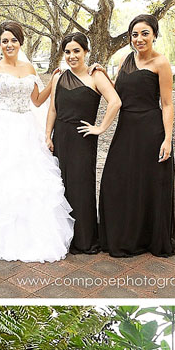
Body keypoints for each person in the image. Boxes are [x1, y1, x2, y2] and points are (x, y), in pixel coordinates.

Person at [0, 21, 75, 262]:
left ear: (20, 42)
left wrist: (54, 81)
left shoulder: (30, 68)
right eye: (4, 40)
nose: (9, 44)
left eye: (13, 40)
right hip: (2, 128)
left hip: (26, 128)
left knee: (31, 184)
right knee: (3, 184)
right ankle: (0, 238)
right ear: (0, 43)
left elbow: (36, 100)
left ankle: (33, 238)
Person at [99, 14, 175, 258]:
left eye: (144, 33)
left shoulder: (161, 63)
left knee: (147, 185)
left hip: (150, 129)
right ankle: (122, 234)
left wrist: (167, 139)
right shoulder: (125, 60)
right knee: (116, 181)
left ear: (154, 35)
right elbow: (116, 95)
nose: (139, 39)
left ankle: (147, 238)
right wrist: (100, 75)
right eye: (134, 34)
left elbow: (167, 104)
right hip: (126, 129)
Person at [45, 32, 122, 254]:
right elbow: (52, 109)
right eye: (67, 52)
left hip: (82, 138)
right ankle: (64, 237)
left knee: (80, 186)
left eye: (76, 51)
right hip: (60, 137)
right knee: (60, 186)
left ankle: (84, 238)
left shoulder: (95, 76)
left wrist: (100, 128)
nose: (71, 56)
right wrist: (47, 135)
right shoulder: (59, 76)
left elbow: (115, 102)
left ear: (86, 52)